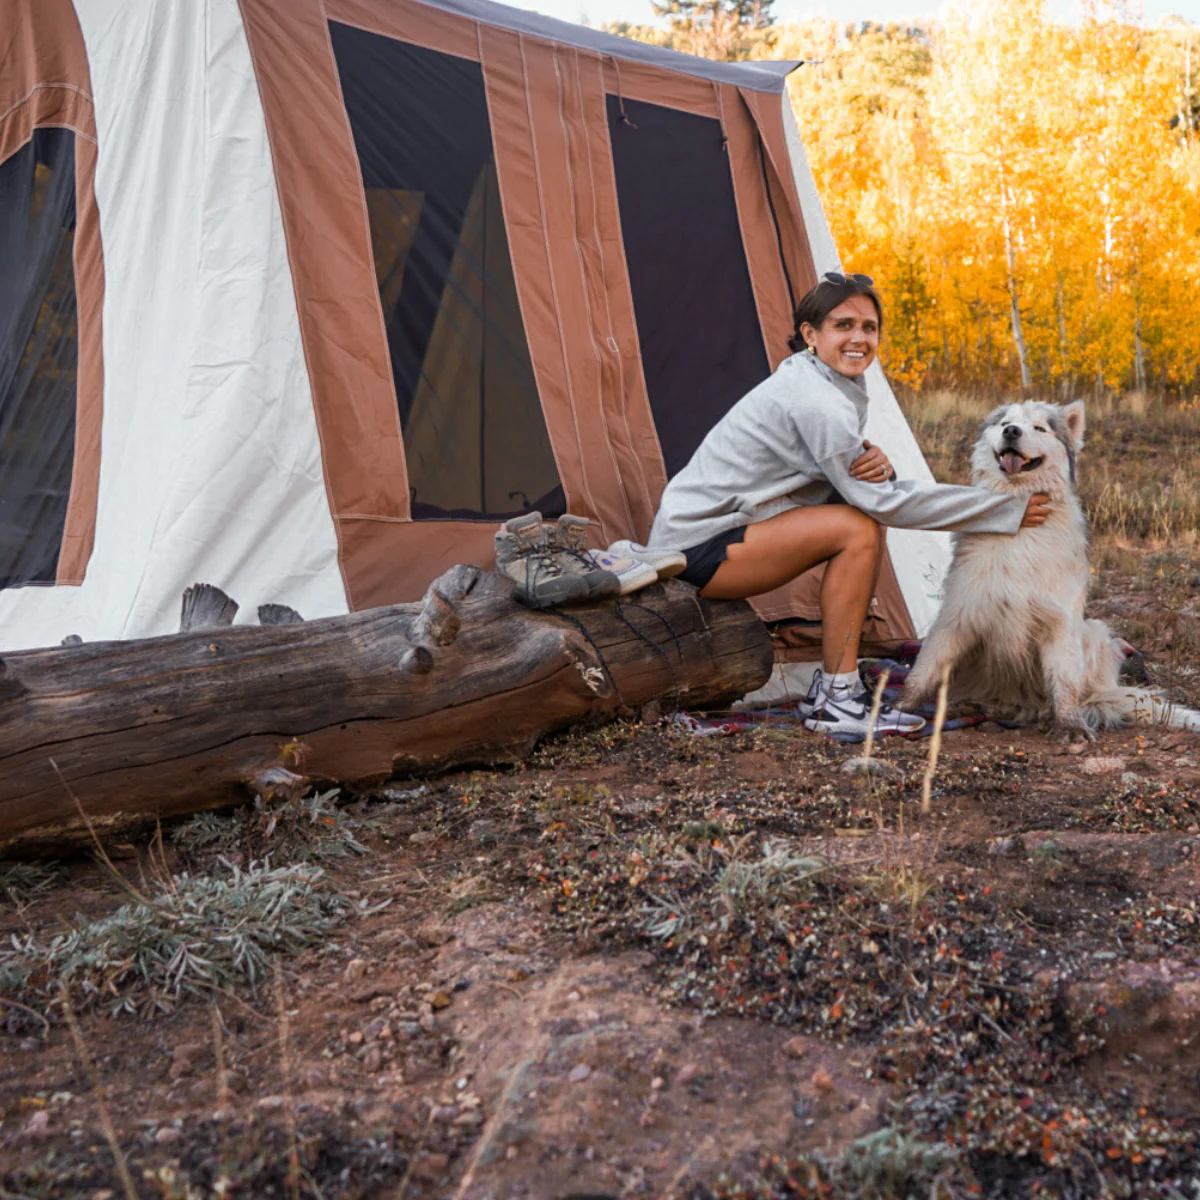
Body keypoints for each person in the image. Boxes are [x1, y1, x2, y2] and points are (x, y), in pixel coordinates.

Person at [641, 271, 1051, 737]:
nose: (859, 338)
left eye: (869, 327)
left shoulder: (824, 383)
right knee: (858, 527)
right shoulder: (816, 399)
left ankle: (840, 691)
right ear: (810, 335)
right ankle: (836, 702)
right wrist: (998, 509)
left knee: (860, 521)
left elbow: (851, 476)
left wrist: (879, 463)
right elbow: (885, 505)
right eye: (843, 325)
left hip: (726, 534)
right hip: (697, 548)